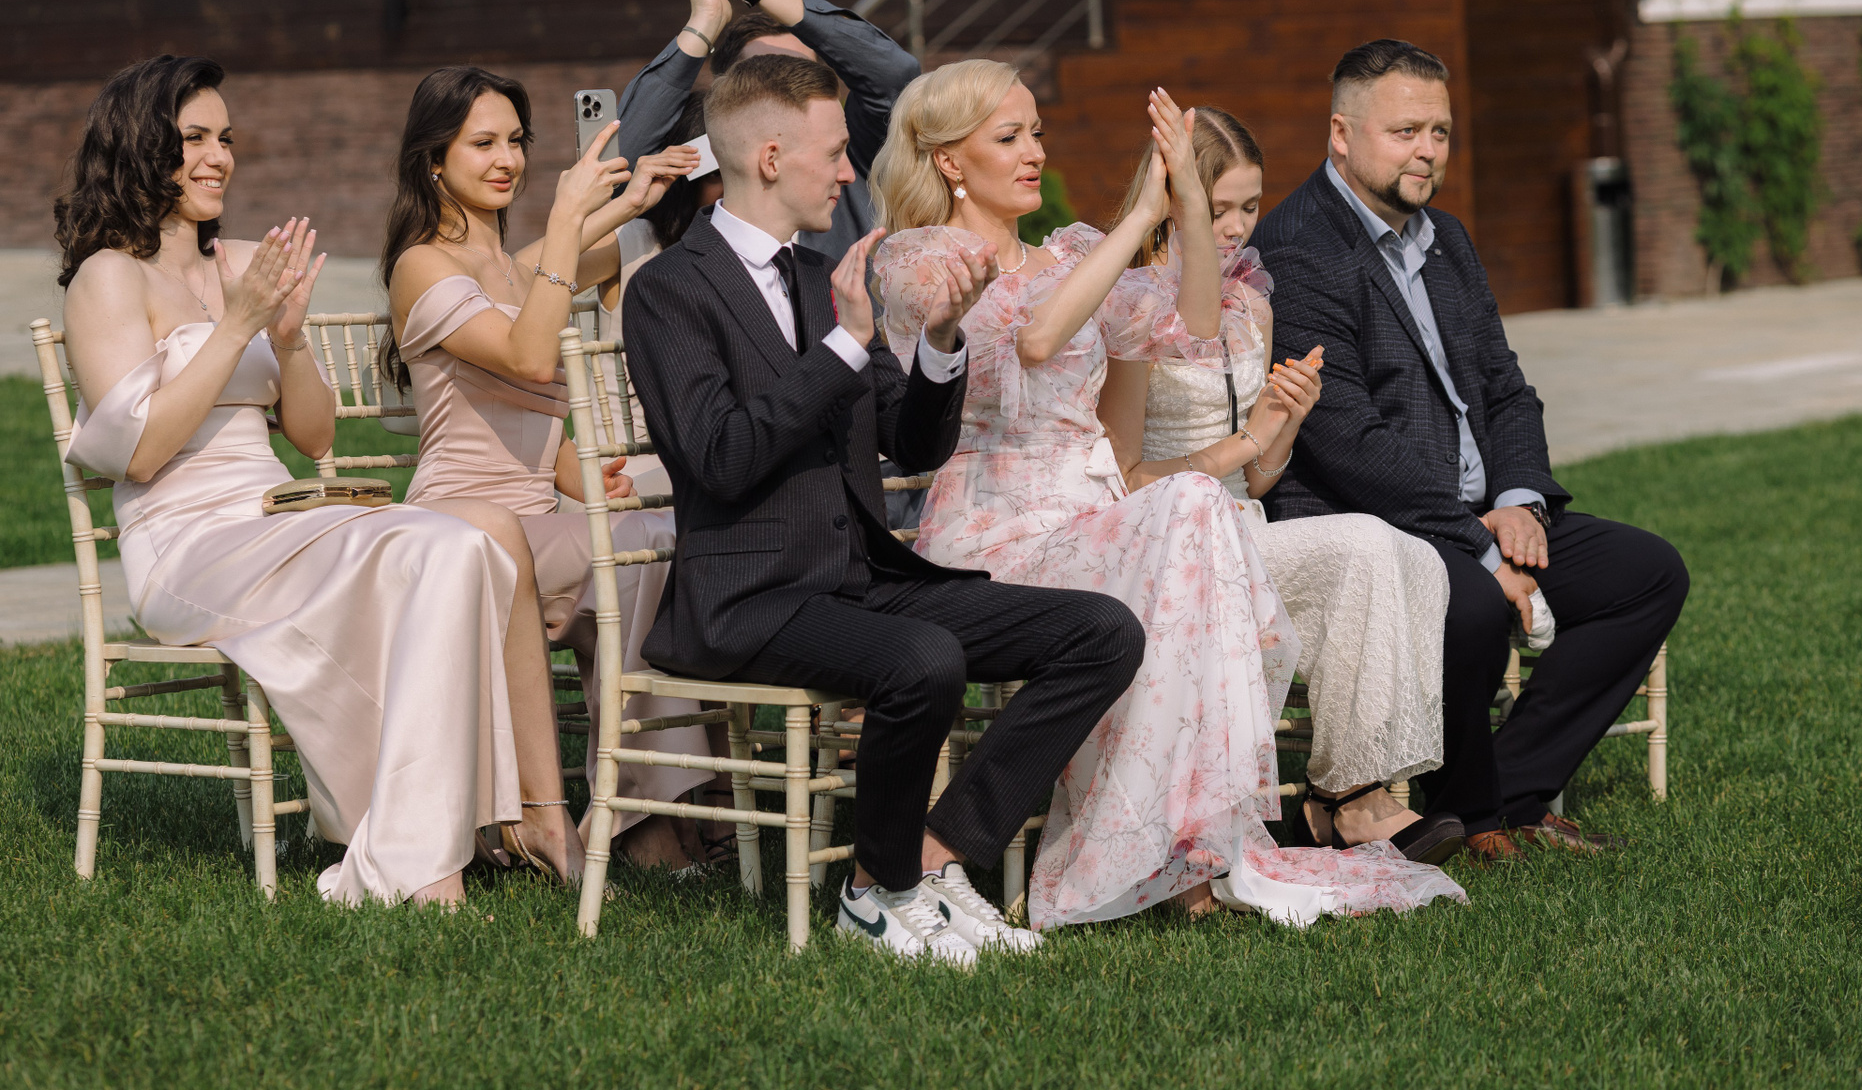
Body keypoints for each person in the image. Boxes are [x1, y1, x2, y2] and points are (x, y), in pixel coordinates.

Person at [872, 63, 1465, 929]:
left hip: (1095, 523)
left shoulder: (1070, 252)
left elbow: (1193, 322)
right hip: (992, 538)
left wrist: (1186, 194)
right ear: (949, 160)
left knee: (1194, 519)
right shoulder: (918, 259)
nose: (1035, 151)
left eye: (1037, 132)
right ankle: (1170, 853)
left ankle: (1195, 846)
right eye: (1010, 137)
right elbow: (1036, 339)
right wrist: (1139, 218)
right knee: (1191, 509)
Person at [623, 53, 1145, 967]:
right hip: (749, 598)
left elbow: (914, 445)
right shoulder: (670, 289)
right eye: (833, 152)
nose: (848, 171)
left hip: (859, 580)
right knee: (923, 659)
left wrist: (941, 341)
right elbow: (721, 458)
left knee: (1102, 633)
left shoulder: (826, 274)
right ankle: (876, 895)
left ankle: (931, 860)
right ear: (772, 158)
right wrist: (843, 347)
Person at [56, 55, 526, 907]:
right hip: (186, 544)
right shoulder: (109, 277)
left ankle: (416, 837)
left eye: (226, 138)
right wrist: (237, 328)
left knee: (454, 547)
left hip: (276, 512)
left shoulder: (245, 260)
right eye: (194, 138)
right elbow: (142, 454)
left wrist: (291, 340)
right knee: (436, 550)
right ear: (138, 145)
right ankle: (423, 867)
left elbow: (313, 436)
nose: (219, 157)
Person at [1251, 39, 1691, 860]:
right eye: (1405, 131)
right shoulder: (1299, 248)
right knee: (1477, 605)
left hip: (1479, 513)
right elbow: (1347, 441)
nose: (1427, 151)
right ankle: (1471, 813)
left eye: (1440, 132)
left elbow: (1506, 388)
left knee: (1646, 573)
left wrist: (1520, 503)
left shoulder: (1445, 237)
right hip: (1372, 527)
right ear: (1341, 135)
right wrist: (1479, 548)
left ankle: (1513, 791)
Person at [1096, 107, 1459, 862]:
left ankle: (1349, 793)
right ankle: (1349, 802)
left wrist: (1285, 418)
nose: (1236, 228)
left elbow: (1258, 481)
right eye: (1219, 208)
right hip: (1165, 546)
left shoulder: (1251, 305)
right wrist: (1245, 442)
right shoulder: (1129, 304)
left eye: (1251, 207)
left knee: (1412, 557)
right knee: (1364, 543)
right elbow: (1124, 480)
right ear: (1173, 199)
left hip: (1242, 529)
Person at [380, 66, 717, 878]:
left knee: (661, 540)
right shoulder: (422, 265)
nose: (507, 159)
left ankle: (659, 806)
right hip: (460, 526)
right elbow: (531, 356)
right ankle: (645, 816)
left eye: (516, 141)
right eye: (482, 143)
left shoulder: (506, 266)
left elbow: (524, 394)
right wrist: (570, 217)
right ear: (434, 160)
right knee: (648, 549)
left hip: (537, 521)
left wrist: (635, 201)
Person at [614, 0, 918, 264]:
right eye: (763, 79)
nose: (786, 93)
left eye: (802, 76)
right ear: (724, 99)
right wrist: (702, 25)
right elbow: (615, 171)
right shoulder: (699, 165)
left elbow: (894, 75)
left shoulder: (852, 158)